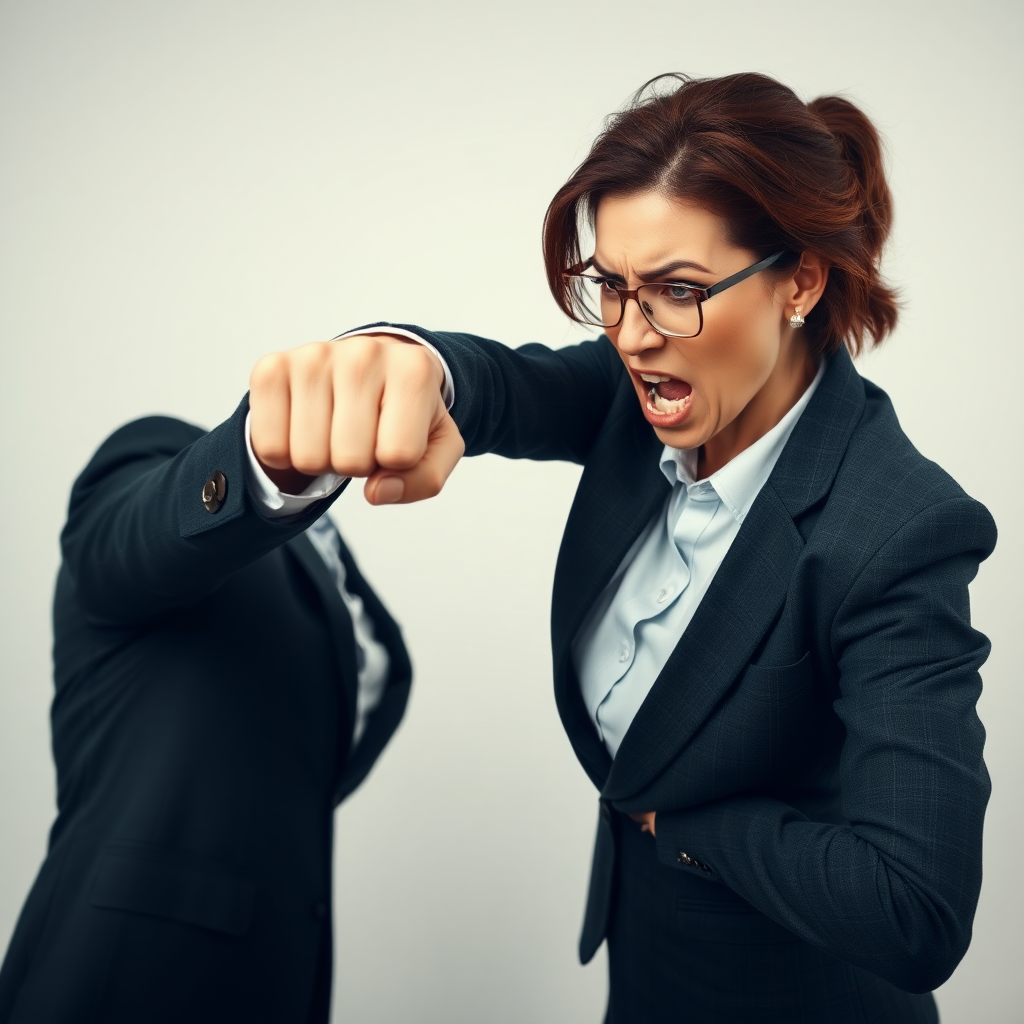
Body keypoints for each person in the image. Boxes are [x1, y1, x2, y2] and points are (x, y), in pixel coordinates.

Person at [304, 73, 998, 1021]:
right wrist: (406, 361)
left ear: (801, 278)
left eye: (677, 290)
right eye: (611, 288)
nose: (632, 338)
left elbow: (913, 909)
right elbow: (499, 383)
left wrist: (688, 828)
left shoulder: (897, 530)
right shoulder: (646, 392)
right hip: (649, 976)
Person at [0, 342, 424, 1023]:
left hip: (279, 974)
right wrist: (262, 461)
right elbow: (126, 547)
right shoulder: (155, 458)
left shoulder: (331, 556)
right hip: (127, 968)